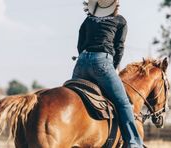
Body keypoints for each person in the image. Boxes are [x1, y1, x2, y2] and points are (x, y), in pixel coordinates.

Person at [72, 0, 143, 147]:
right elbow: (119, 47)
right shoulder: (120, 21)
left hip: (81, 62)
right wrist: (114, 66)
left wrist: (85, 59)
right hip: (102, 63)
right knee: (124, 104)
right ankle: (134, 144)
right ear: (114, 5)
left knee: (74, 97)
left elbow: (80, 44)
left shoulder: (88, 19)